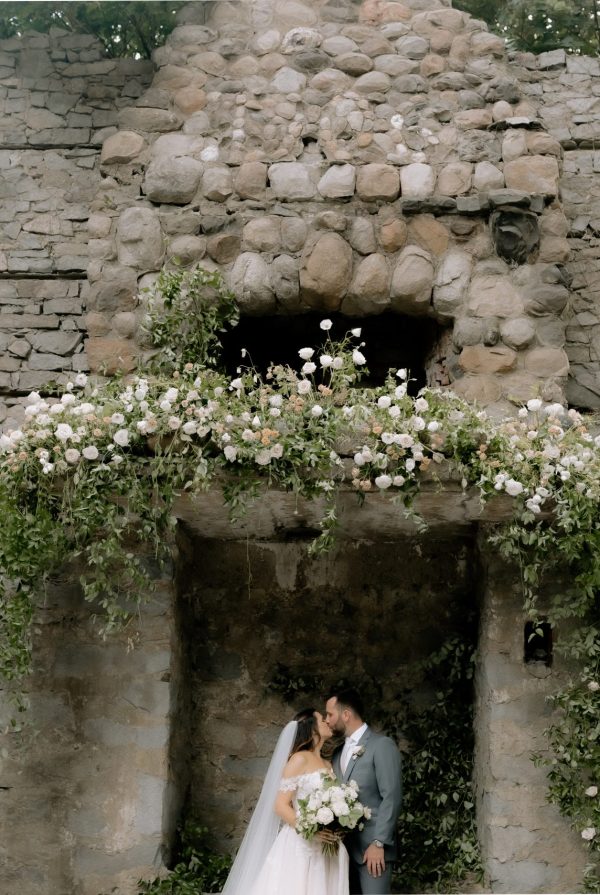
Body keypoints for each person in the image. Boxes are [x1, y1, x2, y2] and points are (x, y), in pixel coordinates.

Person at [222, 707, 349, 895]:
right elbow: (280, 805)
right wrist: (310, 830)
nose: (328, 722)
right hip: (301, 844)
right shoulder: (299, 759)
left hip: (326, 846)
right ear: (311, 729)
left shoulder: (327, 763)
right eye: (322, 720)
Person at [325, 688, 403, 895]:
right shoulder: (337, 754)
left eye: (330, 715)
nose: (327, 721)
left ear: (346, 715)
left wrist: (379, 843)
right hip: (342, 852)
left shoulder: (381, 745)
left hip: (373, 851)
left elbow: (392, 797)